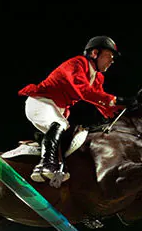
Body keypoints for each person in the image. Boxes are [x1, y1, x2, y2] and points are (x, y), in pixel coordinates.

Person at [18, 35, 125, 184]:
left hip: (57, 108)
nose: (112, 61)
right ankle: (44, 165)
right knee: (60, 124)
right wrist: (114, 99)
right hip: (40, 101)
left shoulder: (98, 77)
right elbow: (85, 92)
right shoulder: (77, 63)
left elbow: (100, 101)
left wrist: (123, 108)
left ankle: (59, 167)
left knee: (70, 131)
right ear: (95, 53)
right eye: (109, 56)